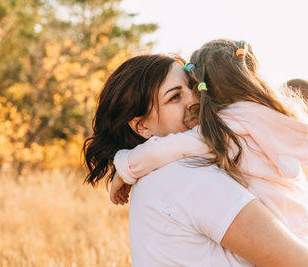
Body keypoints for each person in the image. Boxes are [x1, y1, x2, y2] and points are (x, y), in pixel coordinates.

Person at [83, 53, 308, 266]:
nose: (195, 99)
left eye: (192, 87)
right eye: (175, 97)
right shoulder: (185, 178)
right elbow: (296, 260)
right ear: (142, 126)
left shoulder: (160, 177)